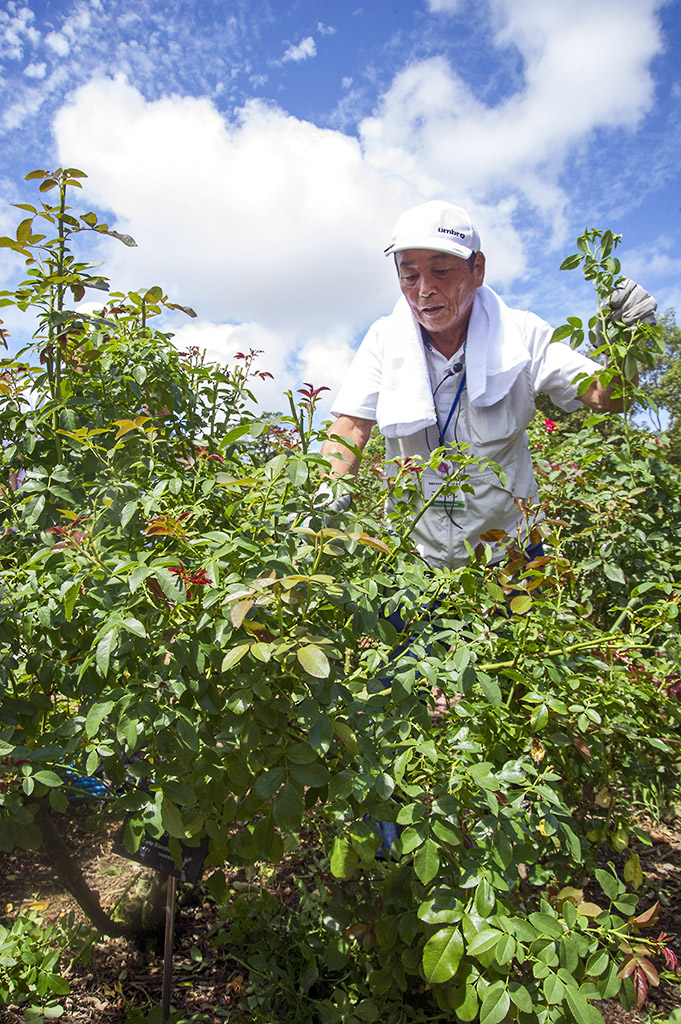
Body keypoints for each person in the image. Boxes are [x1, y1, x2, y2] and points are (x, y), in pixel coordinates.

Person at [321, 200, 656, 568]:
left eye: (442, 271)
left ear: (477, 269)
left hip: (510, 552)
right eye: (410, 275)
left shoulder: (521, 335)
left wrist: (628, 342)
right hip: (411, 558)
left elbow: (608, 399)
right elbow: (351, 428)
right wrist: (326, 494)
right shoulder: (385, 338)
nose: (424, 290)